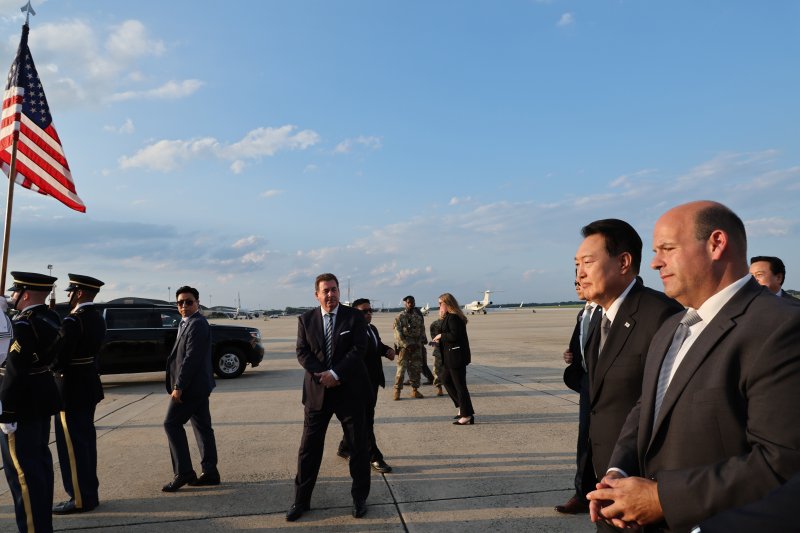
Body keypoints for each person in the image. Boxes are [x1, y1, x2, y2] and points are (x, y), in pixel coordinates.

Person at [588, 201, 800, 531]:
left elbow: (781, 460)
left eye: (667, 249)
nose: (656, 262)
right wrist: (619, 473)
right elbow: (645, 409)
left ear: (716, 244)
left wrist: (662, 499)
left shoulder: (780, 327)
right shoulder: (671, 328)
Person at [576, 219, 682, 482]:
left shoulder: (662, 315)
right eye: (577, 265)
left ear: (623, 262)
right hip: (606, 471)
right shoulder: (598, 319)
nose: (579, 273)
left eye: (588, 262)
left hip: (644, 476)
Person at [287, 273, 372, 521]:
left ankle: (359, 499)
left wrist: (336, 373)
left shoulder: (354, 317)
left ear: (338, 292)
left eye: (334, 290)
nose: (330, 294)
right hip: (317, 393)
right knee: (308, 450)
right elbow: (302, 352)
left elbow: (359, 349)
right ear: (317, 294)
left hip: (350, 393)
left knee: (358, 449)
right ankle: (300, 501)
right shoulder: (306, 319)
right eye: (325, 291)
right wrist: (323, 375)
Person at [0, 272, 62, 532]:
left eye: (15, 292)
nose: (12, 297)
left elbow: (13, 368)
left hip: (21, 405)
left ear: (24, 294)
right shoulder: (51, 317)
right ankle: (42, 524)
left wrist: (7, 411)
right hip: (41, 398)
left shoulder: (23, 326)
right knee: (40, 466)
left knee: (23, 474)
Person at [51, 274, 106, 514]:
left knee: (72, 447)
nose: (68, 295)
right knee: (85, 444)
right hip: (88, 385)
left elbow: (59, 359)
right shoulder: (96, 318)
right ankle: (89, 493)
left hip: (71, 389)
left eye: (71, 292)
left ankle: (80, 498)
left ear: (79, 293)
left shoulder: (73, 321)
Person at [162, 286, 219, 492]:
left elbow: (191, 359)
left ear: (197, 303)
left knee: (171, 424)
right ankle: (210, 472)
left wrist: (179, 386)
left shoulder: (198, 324)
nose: (184, 306)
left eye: (189, 302)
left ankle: (183, 471)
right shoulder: (186, 323)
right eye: (180, 303)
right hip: (198, 386)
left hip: (191, 388)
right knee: (202, 427)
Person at [556, 278, 601, 515]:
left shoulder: (606, 311)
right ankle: (583, 493)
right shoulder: (583, 313)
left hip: (605, 384)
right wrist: (572, 355)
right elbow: (581, 345)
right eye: (574, 281)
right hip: (586, 382)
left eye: (581, 281)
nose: (576, 285)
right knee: (584, 440)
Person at [336, 298, 396, 473]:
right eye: (364, 311)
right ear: (354, 313)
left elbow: (375, 347)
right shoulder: (350, 332)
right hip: (358, 384)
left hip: (373, 382)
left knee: (362, 419)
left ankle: (344, 448)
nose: (369, 313)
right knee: (365, 421)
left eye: (371, 310)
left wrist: (386, 350)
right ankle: (374, 457)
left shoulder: (371, 328)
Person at [432, 293, 475, 425]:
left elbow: (454, 336)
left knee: (460, 386)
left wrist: (440, 336)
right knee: (445, 379)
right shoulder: (449, 317)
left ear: (447, 303)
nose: (439, 306)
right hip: (450, 357)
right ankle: (462, 408)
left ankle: (466, 415)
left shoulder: (454, 318)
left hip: (456, 357)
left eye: (440, 303)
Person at [392, 295, 426, 400]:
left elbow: (422, 331)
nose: (411, 304)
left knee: (416, 368)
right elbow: (397, 333)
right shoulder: (400, 317)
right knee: (401, 369)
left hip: (416, 347)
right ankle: (397, 391)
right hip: (404, 348)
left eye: (412, 302)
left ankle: (415, 390)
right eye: (409, 302)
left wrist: (421, 343)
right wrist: (407, 345)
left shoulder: (418, 317)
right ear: (405, 304)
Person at [428, 307, 446, 396]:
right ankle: (439, 387)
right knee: (437, 369)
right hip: (439, 350)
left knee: (448, 370)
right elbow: (434, 338)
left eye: (444, 311)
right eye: (441, 311)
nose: (442, 313)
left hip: (449, 351)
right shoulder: (435, 324)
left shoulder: (451, 322)